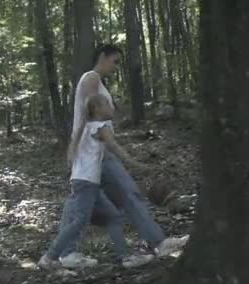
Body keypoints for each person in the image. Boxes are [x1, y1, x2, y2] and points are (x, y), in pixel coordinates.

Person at [63, 44, 187, 268]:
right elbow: (90, 114)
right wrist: (77, 146)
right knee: (123, 194)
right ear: (102, 56)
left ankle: (66, 253)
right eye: (115, 61)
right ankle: (158, 243)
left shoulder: (97, 82)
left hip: (96, 150)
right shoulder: (91, 78)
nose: (116, 67)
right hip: (94, 150)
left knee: (84, 201)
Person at [38, 94, 155, 270]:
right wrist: (137, 164)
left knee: (113, 217)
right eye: (107, 103)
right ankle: (50, 257)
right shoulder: (100, 127)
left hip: (85, 181)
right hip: (86, 182)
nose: (111, 106)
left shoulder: (85, 127)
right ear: (97, 108)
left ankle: (125, 258)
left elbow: (74, 151)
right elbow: (114, 148)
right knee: (79, 221)